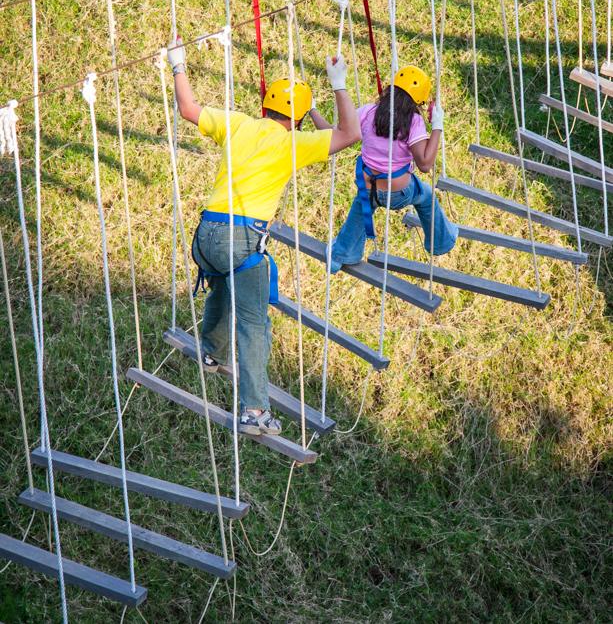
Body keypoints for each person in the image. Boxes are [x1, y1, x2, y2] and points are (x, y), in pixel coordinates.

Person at [167, 39, 360, 437]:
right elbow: (350, 134)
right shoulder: (294, 144)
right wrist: (337, 84)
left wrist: (177, 62)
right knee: (254, 323)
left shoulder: (238, 124)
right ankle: (254, 411)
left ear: (265, 108)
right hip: (241, 238)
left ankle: (210, 351)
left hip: (206, 235)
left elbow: (188, 109)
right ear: (300, 119)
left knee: (224, 280)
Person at [309, 64, 458, 271]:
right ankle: (441, 241)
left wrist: (312, 110)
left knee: (360, 210)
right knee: (426, 197)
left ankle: (341, 255)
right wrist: (437, 126)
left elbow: (331, 134)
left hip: (368, 189)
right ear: (418, 101)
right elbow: (425, 164)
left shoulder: (369, 111)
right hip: (401, 192)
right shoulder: (413, 121)